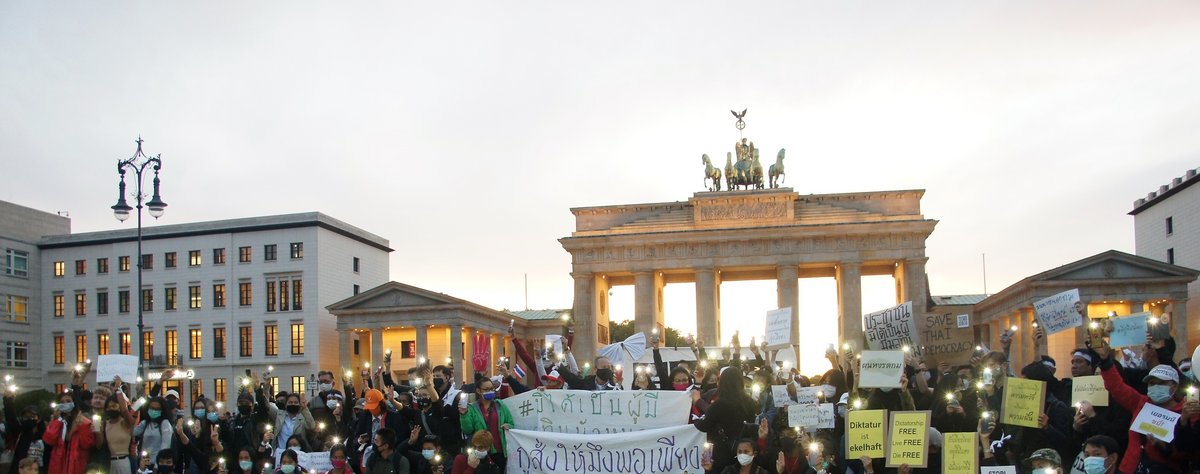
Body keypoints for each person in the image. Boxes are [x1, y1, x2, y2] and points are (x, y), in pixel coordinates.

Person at [1095, 341, 1190, 473]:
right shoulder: (1141, 403)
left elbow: (1189, 450)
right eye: (1151, 383)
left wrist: (1164, 447)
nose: (1155, 386)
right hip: (1129, 469)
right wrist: (1105, 361)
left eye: (1161, 383)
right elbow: (1116, 387)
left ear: (1174, 387)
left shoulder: (1186, 412)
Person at [694, 366, 758, 474]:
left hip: (721, 451)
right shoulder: (750, 402)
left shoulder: (718, 404)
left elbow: (704, 426)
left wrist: (696, 420)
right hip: (743, 450)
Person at [457, 379, 511, 471]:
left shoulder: (500, 405)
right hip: (481, 451)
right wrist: (463, 414)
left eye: (491, 388)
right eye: (486, 389)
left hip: (500, 451)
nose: (490, 391)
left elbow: (511, 423)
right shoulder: (471, 408)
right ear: (478, 391)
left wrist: (508, 426)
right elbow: (467, 430)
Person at [43, 391, 97, 474]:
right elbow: (49, 440)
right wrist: (56, 421)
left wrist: (80, 427)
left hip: (77, 464)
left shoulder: (84, 422)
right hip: (58, 463)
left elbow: (87, 443)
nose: (65, 404)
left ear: (74, 403)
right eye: (62, 402)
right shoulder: (57, 421)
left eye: (68, 401)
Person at [3, 392, 45, 474]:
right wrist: (8, 401)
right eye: (26, 417)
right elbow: (11, 418)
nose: (29, 419)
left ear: (39, 419)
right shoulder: (20, 432)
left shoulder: (45, 435)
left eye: (32, 416)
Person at [100, 392, 136, 474]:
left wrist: (118, 391)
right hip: (109, 463)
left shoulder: (126, 423)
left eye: (114, 406)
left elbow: (124, 411)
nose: (111, 409)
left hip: (123, 462)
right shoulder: (105, 424)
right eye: (108, 407)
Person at [134, 397, 175, 464]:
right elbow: (132, 432)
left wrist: (158, 465)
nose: (154, 411)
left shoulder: (165, 423)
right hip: (144, 463)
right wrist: (134, 412)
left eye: (157, 409)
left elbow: (165, 445)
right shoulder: (145, 423)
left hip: (156, 463)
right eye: (152, 408)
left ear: (162, 410)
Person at [702, 438, 769, 474]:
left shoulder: (762, 472)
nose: (742, 454)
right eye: (739, 452)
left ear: (754, 454)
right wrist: (708, 470)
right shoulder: (729, 470)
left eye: (746, 452)